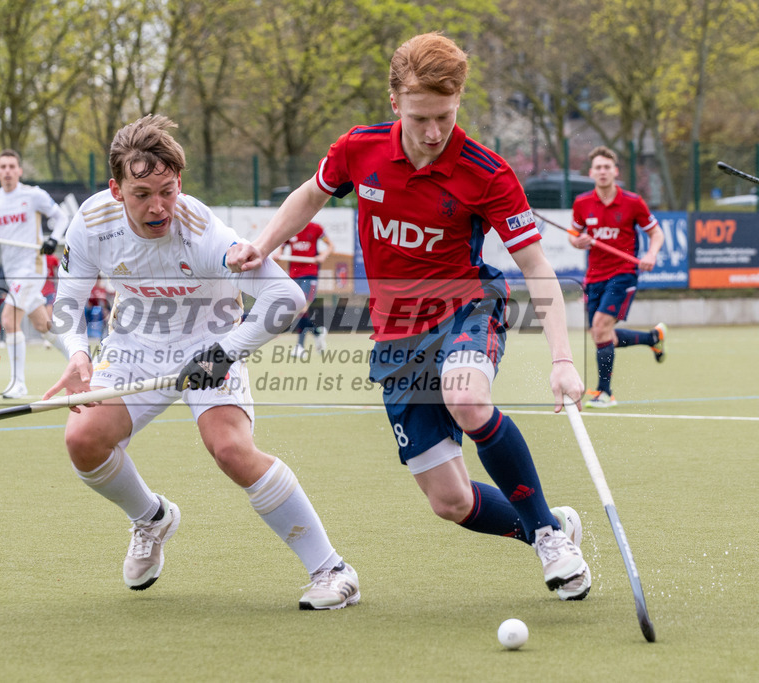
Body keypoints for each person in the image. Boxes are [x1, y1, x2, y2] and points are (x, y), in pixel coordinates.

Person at [227, 33, 592, 601]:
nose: (432, 132)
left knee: (467, 397)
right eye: (420, 117)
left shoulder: (487, 173)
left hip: (466, 307)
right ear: (395, 102)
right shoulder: (358, 149)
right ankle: (549, 523)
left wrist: (564, 359)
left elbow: (538, 267)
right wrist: (264, 243)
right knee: (450, 502)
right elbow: (312, 193)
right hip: (396, 332)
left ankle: (547, 534)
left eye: (445, 116)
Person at [44, 114, 360, 610]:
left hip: (212, 337)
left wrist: (222, 353)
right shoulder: (90, 223)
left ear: (180, 183)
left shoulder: (204, 233)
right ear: (115, 189)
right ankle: (151, 518)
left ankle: (332, 571)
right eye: (142, 193)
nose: (158, 206)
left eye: (168, 191)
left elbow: (287, 299)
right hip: (135, 342)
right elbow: (67, 304)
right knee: (82, 440)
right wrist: (79, 353)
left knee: (230, 449)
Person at [570, 146, 666, 409]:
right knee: (603, 335)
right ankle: (653, 338)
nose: (602, 172)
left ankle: (605, 393)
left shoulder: (633, 202)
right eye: (598, 167)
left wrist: (651, 255)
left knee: (600, 327)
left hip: (623, 273)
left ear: (615, 171)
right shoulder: (582, 203)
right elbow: (573, 235)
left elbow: (656, 233)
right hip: (594, 276)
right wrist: (579, 242)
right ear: (591, 172)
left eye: (607, 167)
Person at [0, 149, 69, 398]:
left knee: (8, 319)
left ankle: (19, 383)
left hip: (32, 268)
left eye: (11, 166)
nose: (7, 171)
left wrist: (53, 239)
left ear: (19, 170)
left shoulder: (33, 195)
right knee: (42, 324)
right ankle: (79, 359)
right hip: (12, 272)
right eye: (3, 167)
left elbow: (61, 218)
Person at [277, 221, 335, 357]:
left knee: (302, 307)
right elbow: (282, 246)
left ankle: (300, 347)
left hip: (310, 274)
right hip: (294, 275)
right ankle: (317, 332)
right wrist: (278, 254)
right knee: (298, 309)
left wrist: (322, 255)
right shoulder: (290, 227)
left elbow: (331, 246)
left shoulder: (316, 229)